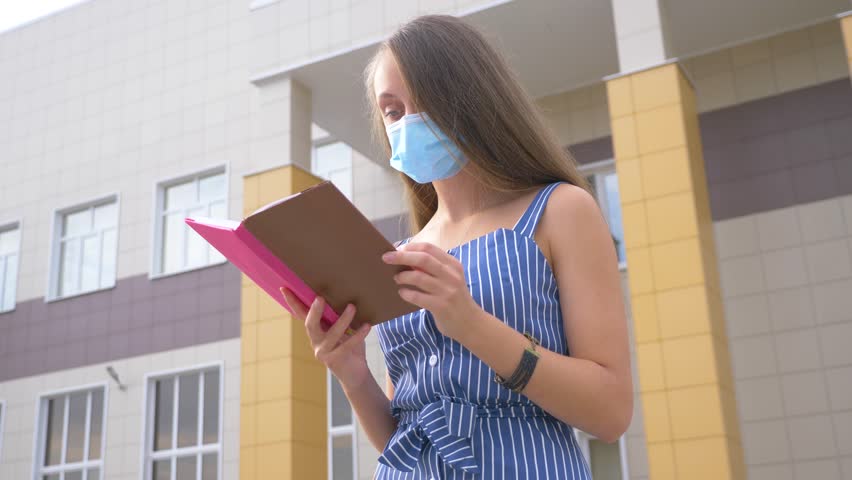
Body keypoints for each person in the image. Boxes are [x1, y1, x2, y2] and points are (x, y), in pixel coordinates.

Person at [280, 14, 633, 479]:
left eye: (423, 101)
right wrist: (352, 373)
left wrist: (471, 325)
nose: (406, 123)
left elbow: (610, 412)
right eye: (392, 111)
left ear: (474, 99)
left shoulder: (560, 210)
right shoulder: (402, 252)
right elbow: (404, 436)